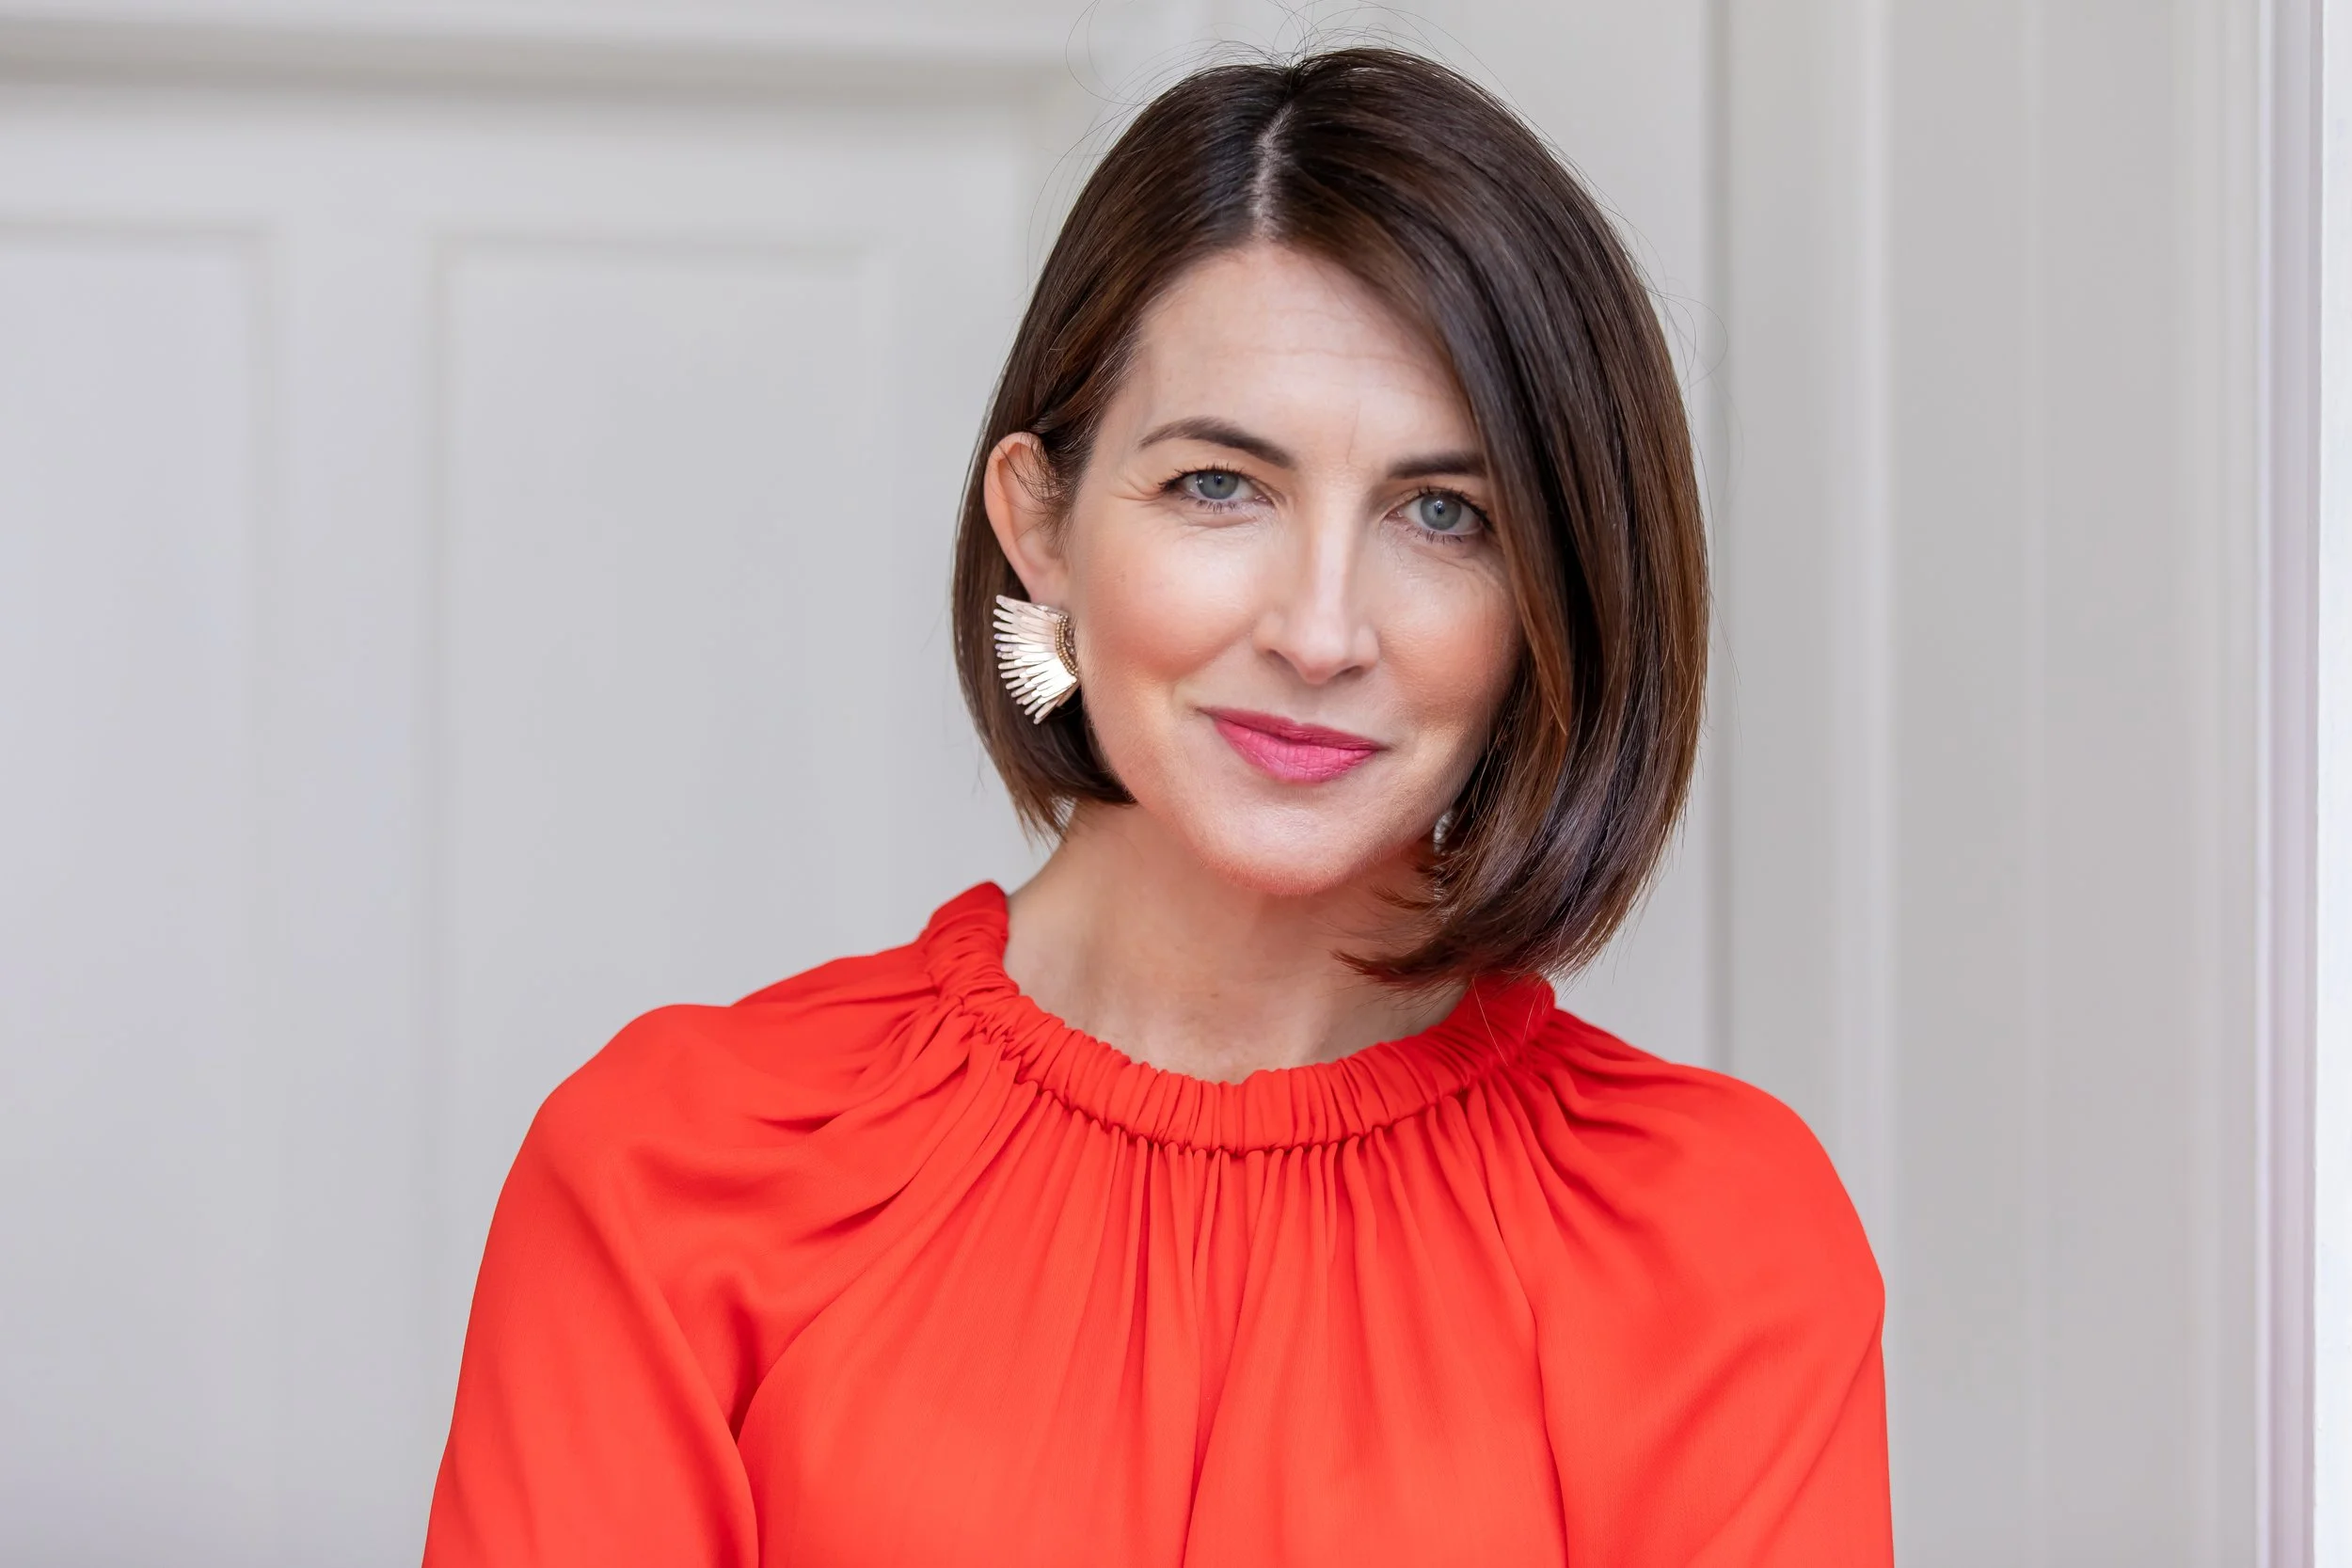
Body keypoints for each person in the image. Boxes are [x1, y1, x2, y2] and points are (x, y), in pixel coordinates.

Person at [423, 48, 1891, 1567]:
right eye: (1218, 486)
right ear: (1039, 524)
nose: (1321, 631)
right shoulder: (673, 1174)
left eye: (1443, 514)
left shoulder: (1719, 1249)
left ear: (1552, 597)